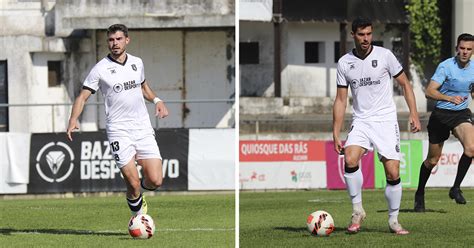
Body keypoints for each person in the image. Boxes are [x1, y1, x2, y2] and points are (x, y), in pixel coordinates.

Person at [67, 24, 169, 216]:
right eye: (111, 40)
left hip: (142, 127)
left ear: (127, 40)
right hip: (118, 130)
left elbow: (143, 87)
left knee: (155, 180)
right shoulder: (100, 69)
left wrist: (157, 100)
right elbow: (82, 97)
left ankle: (138, 195)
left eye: (118, 39)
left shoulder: (137, 63)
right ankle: (138, 217)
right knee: (133, 182)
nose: (114, 43)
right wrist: (73, 119)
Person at [333, 17, 421, 235]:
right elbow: (341, 99)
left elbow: (405, 84)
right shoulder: (344, 63)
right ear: (353, 35)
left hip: (385, 120)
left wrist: (414, 114)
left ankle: (393, 220)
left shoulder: (385, 56)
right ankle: (357, 210)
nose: (366, 38)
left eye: (369, 34)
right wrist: (336, 132)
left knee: (392, 172)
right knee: (350, 158)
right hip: (361, 120)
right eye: (361, 34)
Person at [414, 33, 474, 212]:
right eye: (461, 48)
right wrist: (448, 98)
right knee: (432, 160)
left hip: (461, 114)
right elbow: (429, 91)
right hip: (441, 115)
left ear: (472, 51)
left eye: (468, 49)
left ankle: (455, 188)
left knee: (471, 148)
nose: (464, 52)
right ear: (457, 48)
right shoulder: (446, 66)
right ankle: (419, 193)